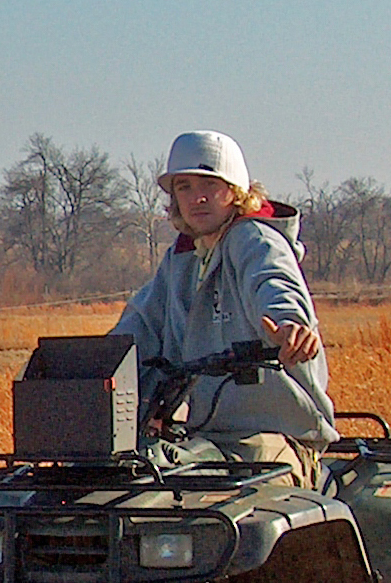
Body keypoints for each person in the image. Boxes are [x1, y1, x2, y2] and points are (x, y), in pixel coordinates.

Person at [111, 130, 336, 487]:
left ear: (236, 191)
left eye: (209, 185)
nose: (197, 198)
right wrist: (89, 367)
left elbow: (274, 284)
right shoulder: (181, 260)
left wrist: (290, 325)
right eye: (184, 187)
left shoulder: (255, 240)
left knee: (229, 502)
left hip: (273, 440)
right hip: (204, 440)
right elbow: (139, 326)